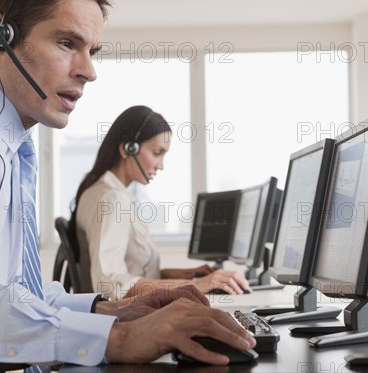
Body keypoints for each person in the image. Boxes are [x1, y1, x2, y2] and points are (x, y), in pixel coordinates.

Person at [0, 0, 255, 368]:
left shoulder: (4, 138)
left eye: (92, 51)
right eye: (68, 43)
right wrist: (117, 339)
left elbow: (13, 293)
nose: (88, 71)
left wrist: (106, 311)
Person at [69, 105, 251, 299]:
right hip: (126, 321)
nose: (161, 165)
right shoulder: (112, 199)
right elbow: (110, 283)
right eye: (157, 152)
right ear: (128, 149)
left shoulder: (100, 191)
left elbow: (130, 272)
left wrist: (179, 276)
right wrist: (195, 285)